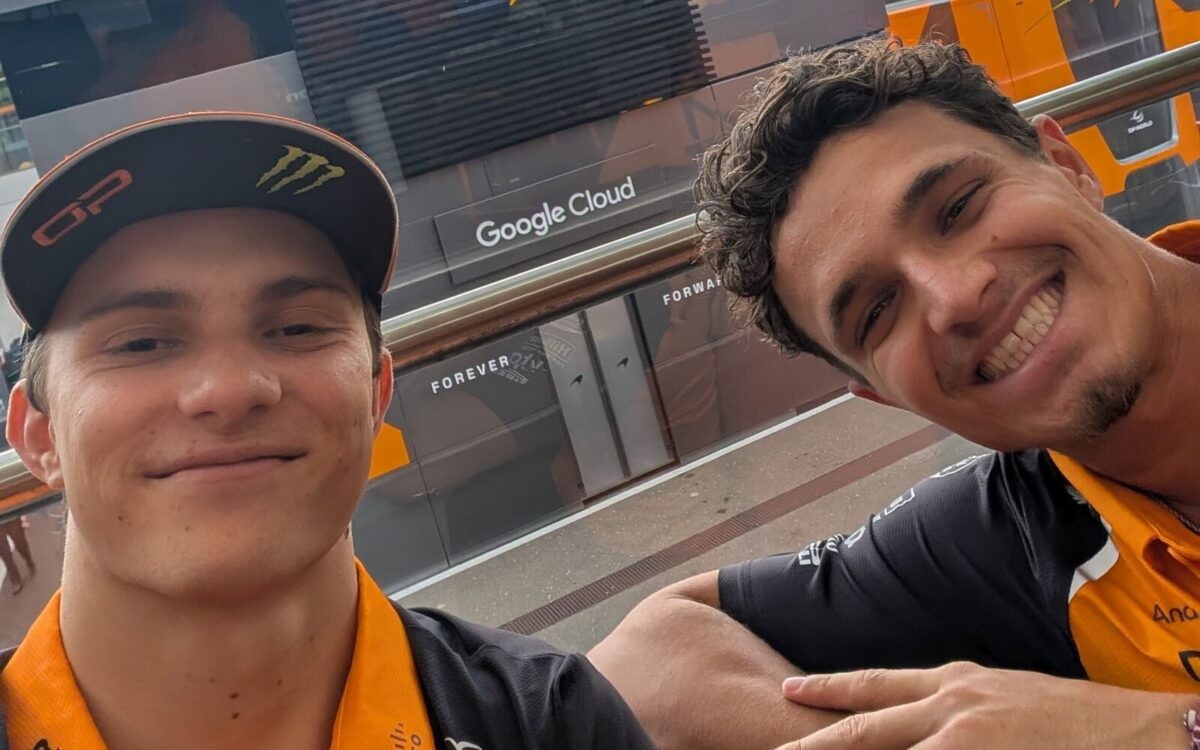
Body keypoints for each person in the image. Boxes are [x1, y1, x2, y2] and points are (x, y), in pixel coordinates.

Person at [591, 37, 1200, 749]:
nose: (955, 297)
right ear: (882, 395)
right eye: (878, 312)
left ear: (1067, 167)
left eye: (960, 207)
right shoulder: (1006, 532)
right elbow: (645, 656)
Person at [0, 112, 653, 749]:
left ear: (375, 395)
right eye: (141, 343)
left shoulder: (557, 723)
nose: (230, 390)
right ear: (38, 434)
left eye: (298, 328)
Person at [0, 515, 35, 596]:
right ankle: (15, 580)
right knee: (4, 553)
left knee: (20, 543)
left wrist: (22, 516)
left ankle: (28, 559)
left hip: (9, 514)